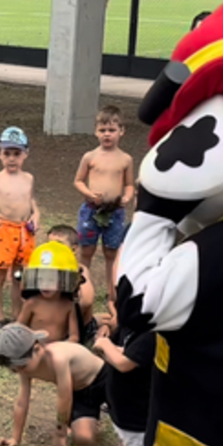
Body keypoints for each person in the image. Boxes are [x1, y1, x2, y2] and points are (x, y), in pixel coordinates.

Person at [0, 323, 107, 446]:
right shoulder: (25, 369)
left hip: (104, 379)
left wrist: (61, 433)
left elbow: (64, 396)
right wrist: (15, 438)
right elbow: (22, 402)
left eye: (22, 366)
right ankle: (92, 419)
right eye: (14, 369)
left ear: (37, 349)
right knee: (84, 438)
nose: (19, 371)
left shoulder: (58, 358)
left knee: (126, 418)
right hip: (80, 392)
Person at [0, 127, 39, 329]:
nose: (11, 159)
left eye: (16, 154)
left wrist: (36, 216)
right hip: (4, 230)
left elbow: (32, 203)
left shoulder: (29, 178)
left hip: (24, 232)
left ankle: (17, 314)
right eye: (7, 153)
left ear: (26, 154)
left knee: (19, 275)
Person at [73, 106, 134, 303]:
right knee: (87, 250)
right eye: (102, 130)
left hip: (114, 212)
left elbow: (130, 184)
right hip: (91, 211)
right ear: (95, 131)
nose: (107, 134)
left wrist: (127, 197)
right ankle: (83, 288)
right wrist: (89, 194)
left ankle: (112, 292)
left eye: (112, 130)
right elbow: (78, 181)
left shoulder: (125, 159)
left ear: (121, 131)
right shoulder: (90, 157)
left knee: (111, 252)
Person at [94, 329, 156, 446]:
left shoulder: (150, 335)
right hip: (121, 412)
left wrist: (106, 345)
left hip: (137, 415)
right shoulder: (129, 326)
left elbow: (124, 363)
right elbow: (118, 352)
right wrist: (109, 348)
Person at [46, 225, 110, 344]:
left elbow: (87, 301)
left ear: (74, 249)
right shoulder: (42, 270)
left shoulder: (80, 270)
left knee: (111, 320)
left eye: (59, 244)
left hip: (80, 328)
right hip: (53, 329)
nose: (53, 249)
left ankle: (100, 325)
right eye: (50, 244)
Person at [18, 242, 80, 343]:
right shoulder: (32, 303)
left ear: (62, 281)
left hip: (58, 351)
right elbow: (18, 330)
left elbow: (74, 336)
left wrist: (65, 347)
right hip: (34, 349)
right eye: (41, 280)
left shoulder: (68, 305)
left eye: (51, 280)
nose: (45, 285)